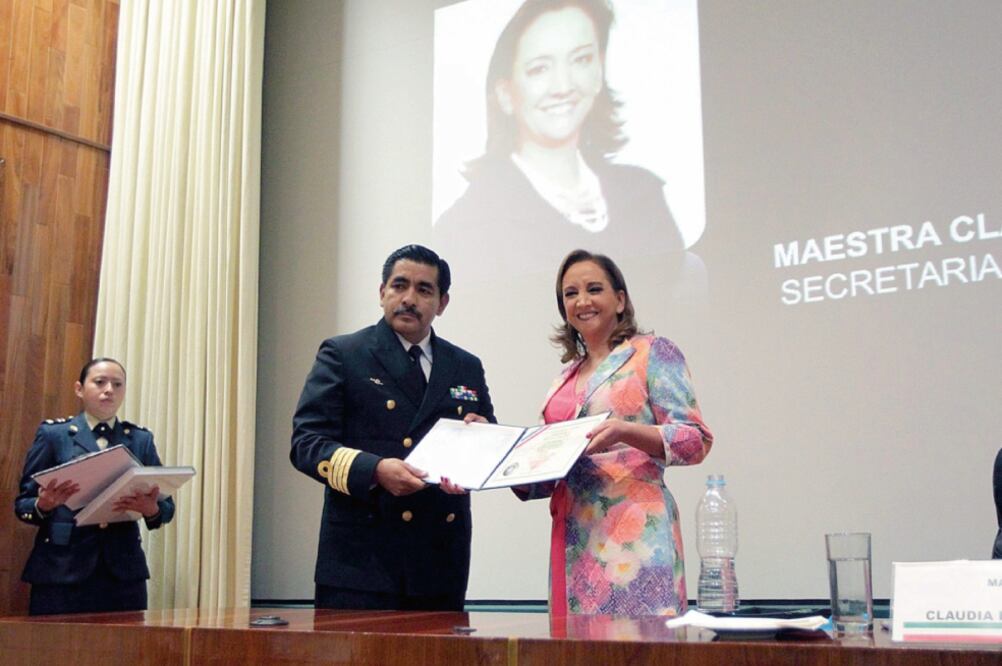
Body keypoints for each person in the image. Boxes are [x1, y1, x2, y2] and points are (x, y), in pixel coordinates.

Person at [291, 244, 496, 611]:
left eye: (424, 289)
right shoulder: (344, 354)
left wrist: (482, 441)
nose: (409, 298)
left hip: (439, 561)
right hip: (362, 563)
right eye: (399, 285)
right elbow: (306, 444)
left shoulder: (465, 365)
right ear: (382, 292)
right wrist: (375, 471)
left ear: (442, 303)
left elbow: (488, 439)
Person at [515, 249, 713, 616]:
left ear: (620, 300)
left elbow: (695, 440)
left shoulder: (652, 353)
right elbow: (549, 470)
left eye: (594, 289)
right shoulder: (564, 378)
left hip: (635, 538)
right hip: (573, 539)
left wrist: (626, 432)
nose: (582, 301)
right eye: (570, 294)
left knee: (638, 651)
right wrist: (497, 460)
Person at [435, 0, 685, 280]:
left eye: (581, 60)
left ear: (598, 72)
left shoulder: (642, 194)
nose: (563, 86)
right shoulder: (469, 224)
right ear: (505, 94)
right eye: (539, 69)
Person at [14, 357, 176, 615]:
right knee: (55, 652)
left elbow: (166, 508)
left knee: (123, 652)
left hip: (122, 574)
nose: (109, 389)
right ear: (79, 388)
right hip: (61, 570)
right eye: (100, 382)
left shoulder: (139, 440)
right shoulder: (54, 435)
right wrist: (43, 504)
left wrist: (151, 508)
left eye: (117, 384)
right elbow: (23, 504)